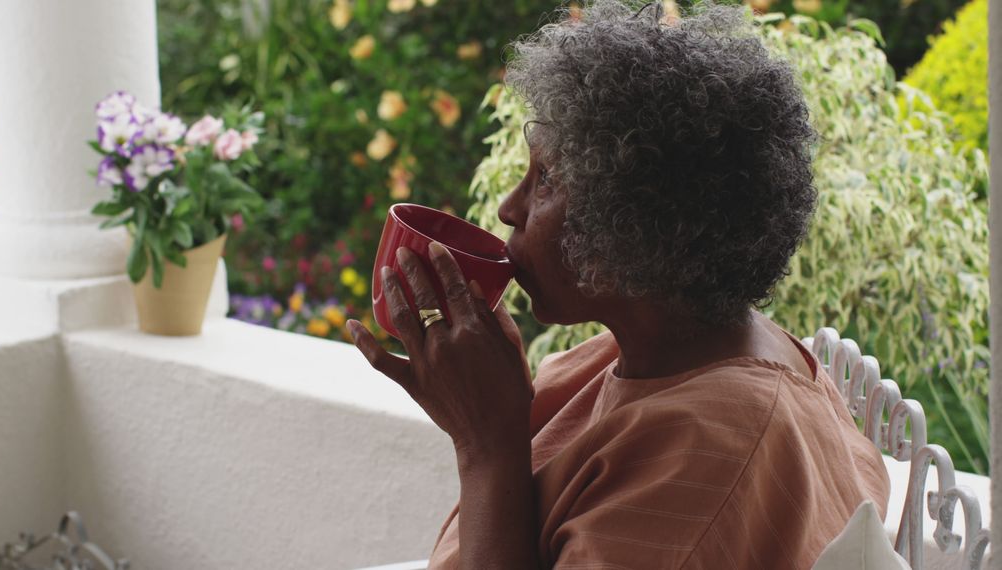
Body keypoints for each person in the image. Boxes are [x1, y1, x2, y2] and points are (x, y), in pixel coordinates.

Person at [346, 1, 889, 568]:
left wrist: (485, 448)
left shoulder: (710, 454)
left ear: (635, 223)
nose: (509, 209)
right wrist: (484, 409)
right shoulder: (654, 353)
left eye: (547, 179)